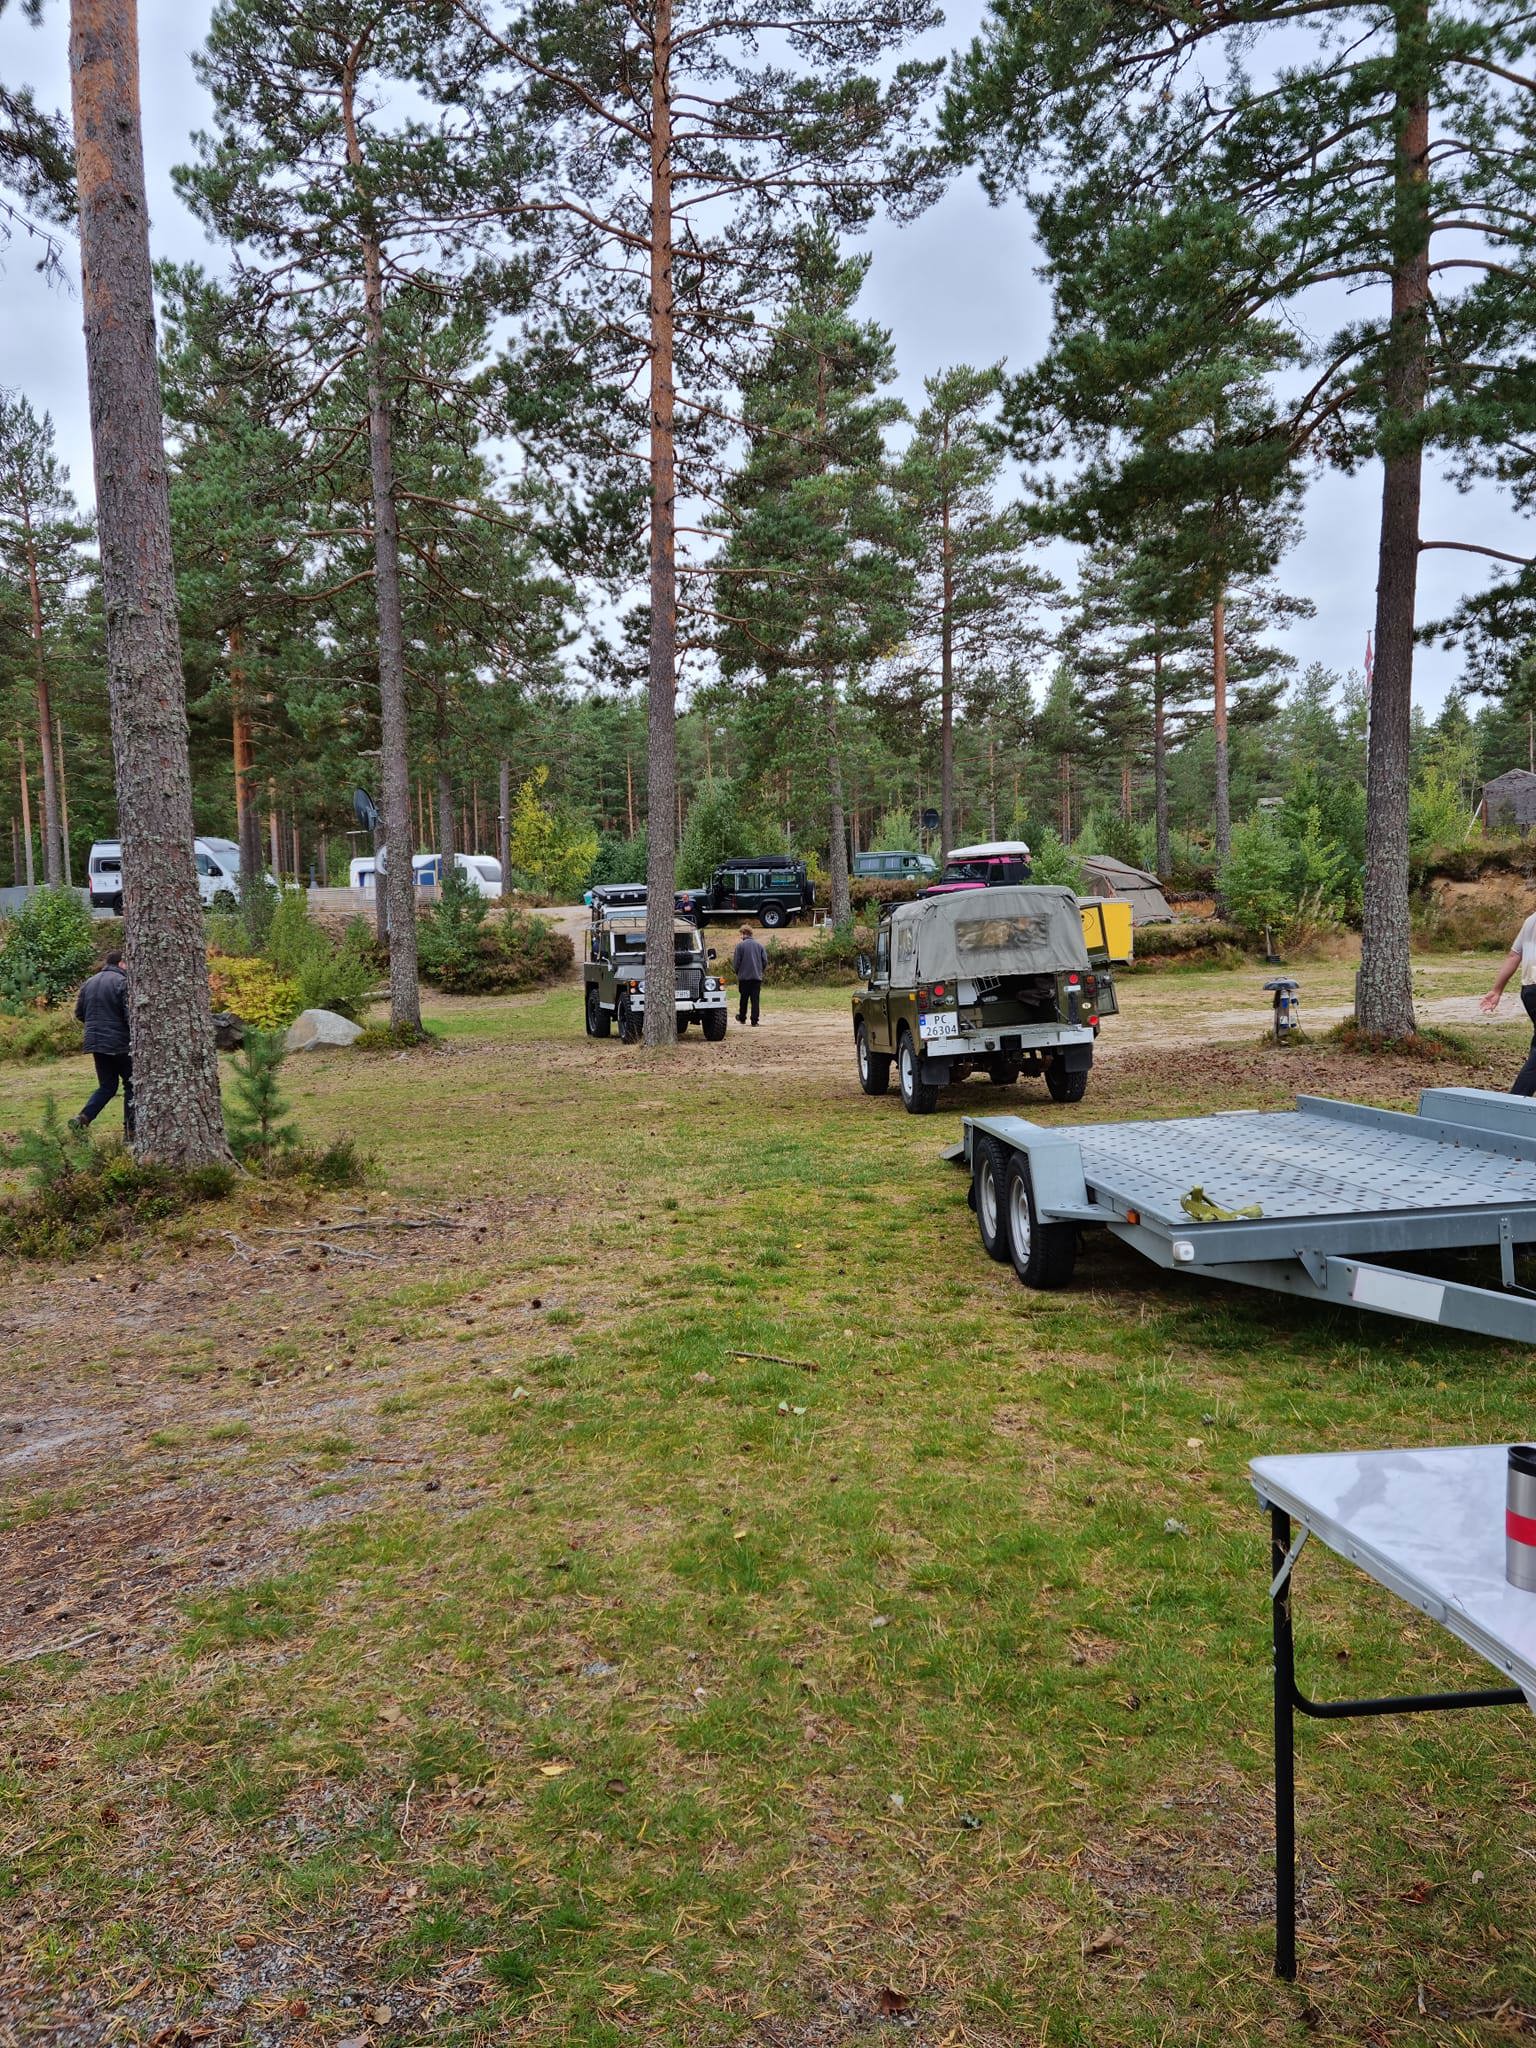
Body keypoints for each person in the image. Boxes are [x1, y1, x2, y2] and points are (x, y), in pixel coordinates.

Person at [71, 950, 135, 1139]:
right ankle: (131, 1131)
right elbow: (130, 1015)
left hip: (95, 1042)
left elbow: (79, 1013)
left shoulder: (89, 983)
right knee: (132, 1085)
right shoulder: (123, 982)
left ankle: (83, 1118)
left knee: (107, 1086)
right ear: (121, 963)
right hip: (120, 1042)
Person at [732, 922, 767, 1027]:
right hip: (756, 977)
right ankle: (754, 1021)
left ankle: (742, 1018)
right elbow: (765, 961)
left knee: (744, 998)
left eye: (741, 934)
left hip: (744, 978)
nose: (741, 936)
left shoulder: (740, 946)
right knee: (755, 1000)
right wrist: (759, 970)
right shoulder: (760, 946)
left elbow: (736, 963)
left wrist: (738, 972)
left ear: (744, 933)